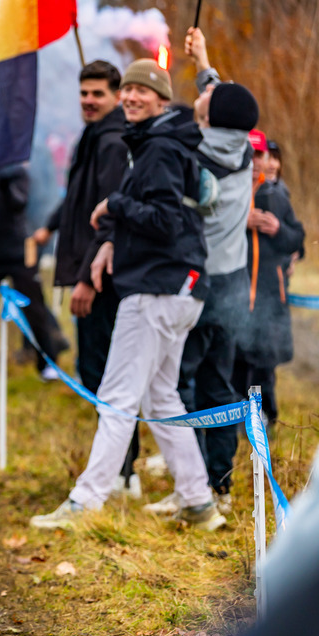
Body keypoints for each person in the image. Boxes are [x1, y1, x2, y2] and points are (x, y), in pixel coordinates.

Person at [29, 59, 224, 532]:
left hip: (156, 288)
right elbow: (164, 214)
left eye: (143, 91)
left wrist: (114, 204)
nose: (133, 97)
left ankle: (85, 502)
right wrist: (115, 230)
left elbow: (166, 220)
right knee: (162, 400)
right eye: (129, 90)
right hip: (179, 287)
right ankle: (199, 502)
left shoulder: (159, 148)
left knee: (116, 397)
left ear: (161, 99)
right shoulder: (160, 143)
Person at [147, 28, 258, 515]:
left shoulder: (193, 151)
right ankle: (221, 484)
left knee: (179, 386)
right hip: (233, 282)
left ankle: (189, 489)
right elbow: (225, 100)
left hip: (196, 283)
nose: (207, 95)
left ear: (209, 117)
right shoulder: (244, 147)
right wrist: (204, 60)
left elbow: (209, 109)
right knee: (220, 384)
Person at [32, 60, 141, 494]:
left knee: (107, 374)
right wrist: (48, 227)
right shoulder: (92, 135)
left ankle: (123, 472)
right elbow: (77, 198)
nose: (89, 101)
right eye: (84, 93)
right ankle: (119, 468)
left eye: (98, 94)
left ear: (116, 96)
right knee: (96, 370)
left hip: (103, 278)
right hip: (88, 270)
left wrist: (87, 280)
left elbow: (110, 216)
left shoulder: (112, 142)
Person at [232, 129, 305, 427]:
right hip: (234, 294)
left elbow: (297, 239)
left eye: (260, 155)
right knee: (235, 363)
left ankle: (267, 421)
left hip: (270, 295)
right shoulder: (228, 192)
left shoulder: (276, 195)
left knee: (264, 365)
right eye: (251, 155)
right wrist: (239, 220)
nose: (256, 162)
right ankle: (236, 422)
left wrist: (278, 229)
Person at [0, 165, 68, 382]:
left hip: (19, 253)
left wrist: (2, 179)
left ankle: (47, 363)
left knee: (35, 308)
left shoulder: (16, 172)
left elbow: (18, 202)